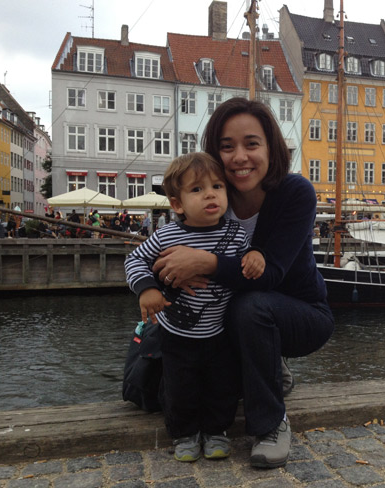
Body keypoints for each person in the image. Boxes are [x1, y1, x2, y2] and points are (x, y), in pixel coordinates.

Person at [152, 97, 335, 469]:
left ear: (270, 148)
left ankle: (271, 425)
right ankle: (257, 368)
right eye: (227, 146)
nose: (239, 157)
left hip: (303, 315)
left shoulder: (295, 193)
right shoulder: (212, 196)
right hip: (233, 321)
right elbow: (169, 257)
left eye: (251, 144)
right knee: (184, 332)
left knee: (250, 305)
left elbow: (270, 275)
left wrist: (205, 261)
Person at [125, 152, 266, 463]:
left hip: (219, 332)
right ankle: (185, 433)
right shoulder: (166, 235)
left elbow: (242, 264)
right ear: (177, 204)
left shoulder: (234, 234)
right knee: (180, 385)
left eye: (217, 186)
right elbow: (135, 260)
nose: (210, 194)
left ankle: (217, 431)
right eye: (197, 190)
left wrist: (255, 256)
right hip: (177, 334)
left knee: (222, 385)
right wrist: (146, 288)